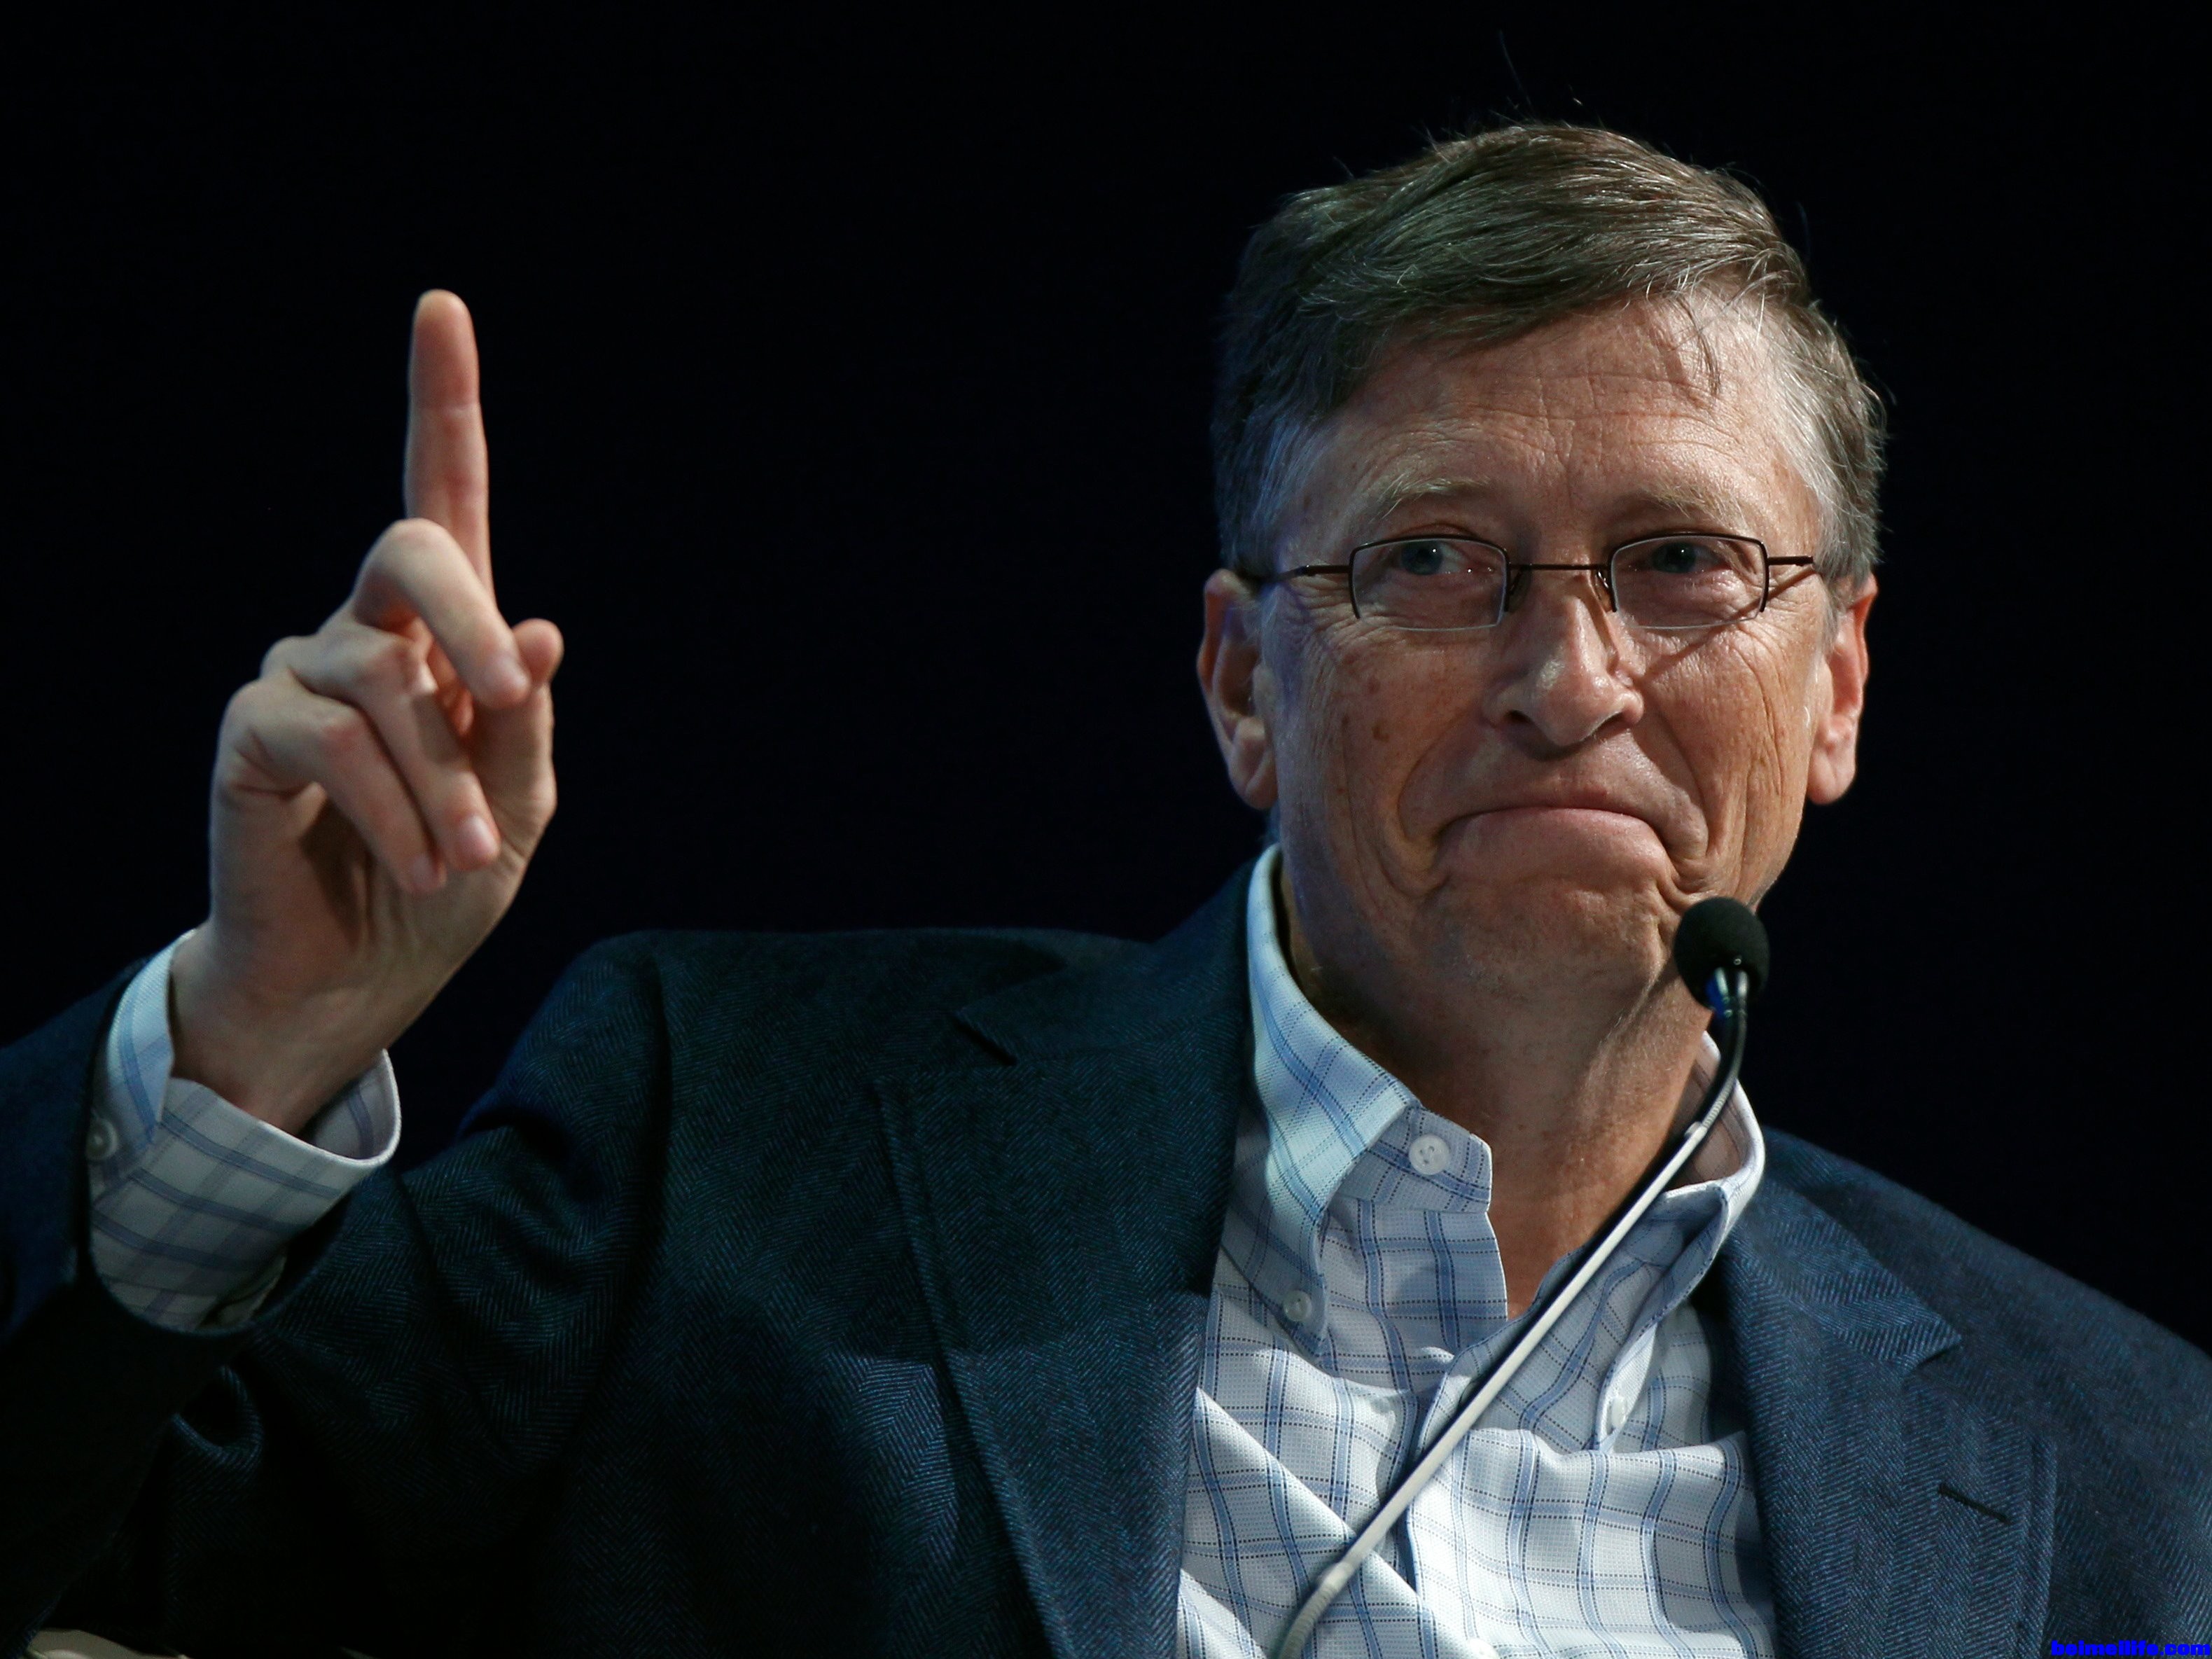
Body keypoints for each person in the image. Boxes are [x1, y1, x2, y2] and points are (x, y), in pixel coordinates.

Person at [1, 123, 2204, 1659]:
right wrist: (249, 1044)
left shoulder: (2139, 1462)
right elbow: (102, 1540)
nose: (1568, 675)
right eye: (1433, 558)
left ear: (1838, 685)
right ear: (1244, 683)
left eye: (1681, 561)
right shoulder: (727, 1143)